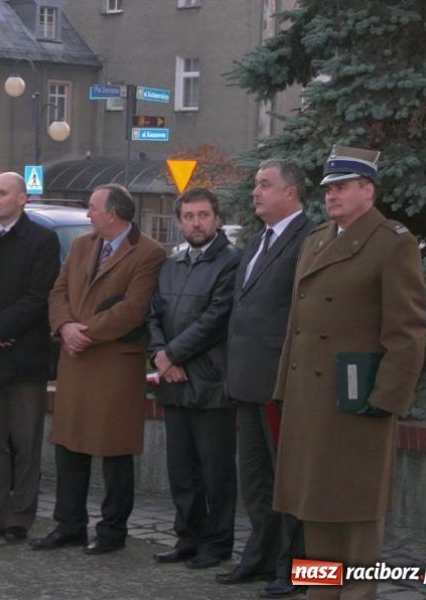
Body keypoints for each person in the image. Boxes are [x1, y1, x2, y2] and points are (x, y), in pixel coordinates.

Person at [273, 145, 426, 600]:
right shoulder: (317, 239)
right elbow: (296, 325)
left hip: (358, 403)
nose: (332, 195)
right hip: (310, 400)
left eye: (342, 187)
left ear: (368, 190)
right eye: (328, 188)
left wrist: (386, 398)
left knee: (356, 513)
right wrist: (285, 387)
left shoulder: (392, 242)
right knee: (315, 510)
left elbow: (407, 329)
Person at [32, 183, 166, 555]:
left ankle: (112, 532)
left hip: (113, 363)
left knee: (114, 451)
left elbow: (132, 309)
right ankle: (68, 525)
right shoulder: (81, 245)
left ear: (113, 213)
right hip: (75, 361)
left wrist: (83, 332)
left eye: (93, 207)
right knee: (69, 446)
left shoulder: (149, 253)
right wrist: (64, 327)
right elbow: (57, 292)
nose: (88, 214)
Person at [216, 160, 313, 597]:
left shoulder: (308, 239)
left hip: (280, 382)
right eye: (255, 184)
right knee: (254, 478)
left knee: (285, 480)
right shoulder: (258, 240)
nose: (255, 192)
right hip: (247, 381)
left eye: (264, 185)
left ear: (290, 193)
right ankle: (258, 557)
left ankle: (296, 568)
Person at [0, 172, 60, 543]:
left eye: (1, 193)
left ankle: (20, 516)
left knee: (25, 440)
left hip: (24, 358)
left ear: (22, 199)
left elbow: (39, 296)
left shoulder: (41, 240)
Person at [146, 188, 242, 569]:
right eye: (189, 216)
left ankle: (217, 545)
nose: (196, 222)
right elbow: (152, 315)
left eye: (203, 215)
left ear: (217, 219)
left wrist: (172, 354)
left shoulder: (232, 263)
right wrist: (159, 355)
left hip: (212, 383)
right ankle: (187, 538)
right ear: (179, 221)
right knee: (181, 471)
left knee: (216, 472)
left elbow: (216, 320)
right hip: (174, 382)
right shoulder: (171, 264)